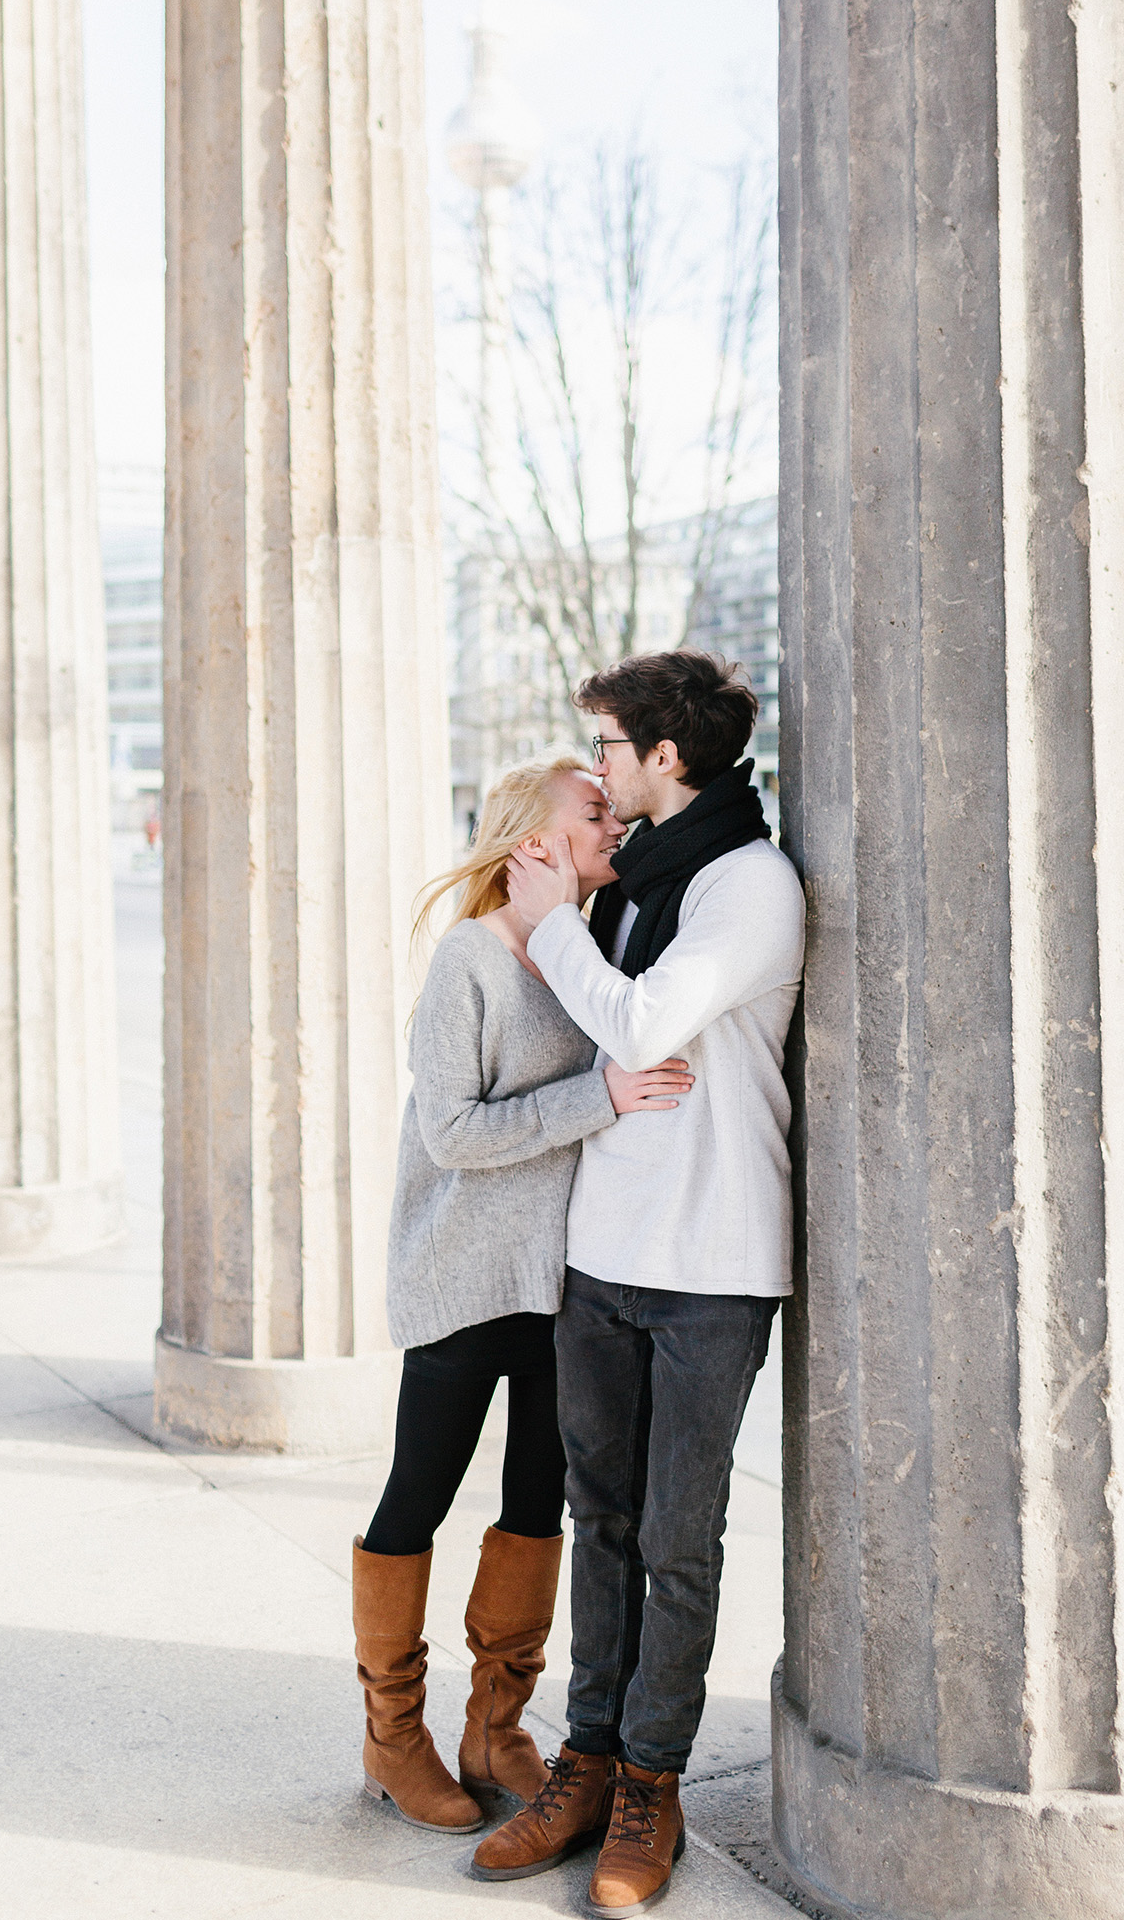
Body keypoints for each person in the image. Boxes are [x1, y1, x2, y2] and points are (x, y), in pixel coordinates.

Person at [470, 652, 805, 1913]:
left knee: (677, 1539)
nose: (599, 767)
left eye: (609, 745)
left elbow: (643, 1024)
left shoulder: (748, 885)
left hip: (711, 1262)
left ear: (668, 757)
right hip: (602, 1253)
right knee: (598, 1522)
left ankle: (651, 1783)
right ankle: (588, 1760)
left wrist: (552, 915)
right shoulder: (632, 882)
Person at [352, 754, 695, 1836]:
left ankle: (494, 1723)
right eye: (593, 812)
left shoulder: (583, 950)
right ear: (532, 844)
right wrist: (597, 1098)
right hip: (462, 1282)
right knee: (418, 1499)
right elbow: (453, 1133)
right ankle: (391, 1734)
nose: (612, 824)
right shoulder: (470, 961)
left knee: (534, 1506)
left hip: (560, 1293)